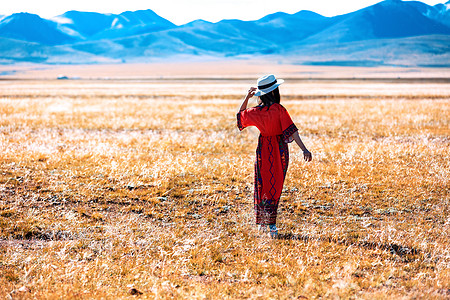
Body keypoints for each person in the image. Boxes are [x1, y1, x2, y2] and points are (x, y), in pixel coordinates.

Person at [237, 74, 312, 238]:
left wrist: (247, 97)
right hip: (278, 150)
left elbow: (240, 117)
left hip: (263, 150)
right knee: (274, 187)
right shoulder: (279, 109)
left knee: (263, 184)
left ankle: (263, 224)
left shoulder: (257, 111)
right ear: (274, 91)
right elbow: (292, 130)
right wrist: (304, 149)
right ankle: (271, 226)